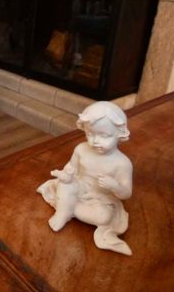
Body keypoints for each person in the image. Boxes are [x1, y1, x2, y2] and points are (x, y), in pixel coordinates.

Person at [37, 101, 133, 255]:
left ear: (120, 134)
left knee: (104, 217)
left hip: (100, 198)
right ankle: (63, 213)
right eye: (90, 134)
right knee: (65, 184)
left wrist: (114, 186)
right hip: (78, 187)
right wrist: (66, 175)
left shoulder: (122, 163)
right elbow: (71, 168)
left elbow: (126, 193)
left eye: (104, 135)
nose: (95, 141)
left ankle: (68, 207)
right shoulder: (81, 149)